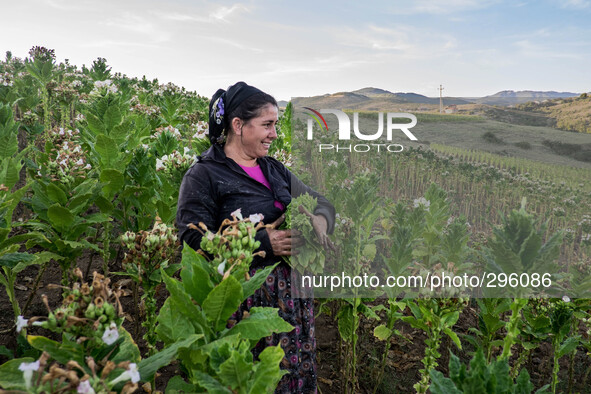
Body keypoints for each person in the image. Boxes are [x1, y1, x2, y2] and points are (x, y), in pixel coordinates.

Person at [176, 81, 335, 393]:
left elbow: (323, 202)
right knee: (251, 378)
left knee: (290, 371)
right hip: (242, 300)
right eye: (267, 125)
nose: (274, 134)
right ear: (238, 125)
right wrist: (264, 242)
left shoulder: (273, 168)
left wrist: (320, 220)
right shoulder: (205, 174)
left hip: (290, 296)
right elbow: (193, 238)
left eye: (275, 125)